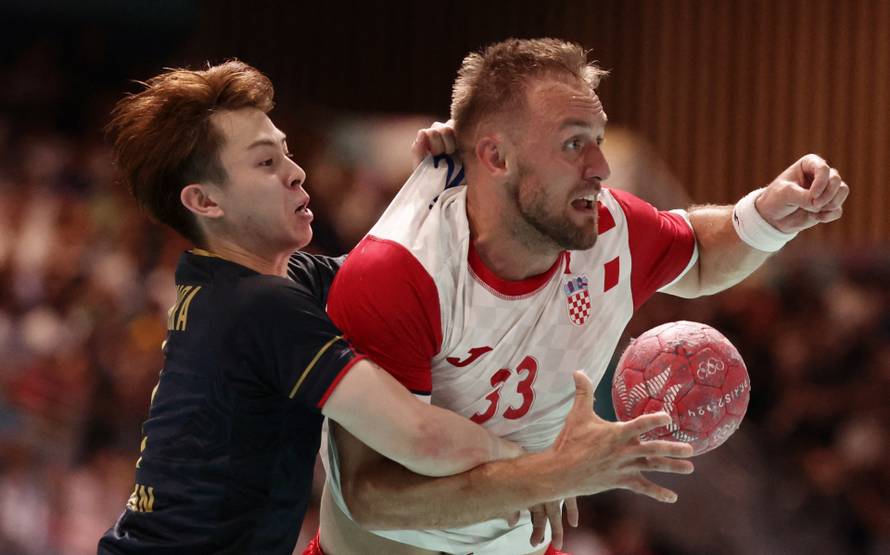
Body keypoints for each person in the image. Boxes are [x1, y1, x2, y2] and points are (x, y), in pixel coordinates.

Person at [96, 60, 692, 555]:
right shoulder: (259, 307)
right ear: (205, 201)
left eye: (285, 152)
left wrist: (440, 177)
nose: (296, 172)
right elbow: (420, 439)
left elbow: (396, 277)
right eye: (265, 163)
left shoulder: (254, 284)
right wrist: (550, 467)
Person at [317, 38, 850, 555]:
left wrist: (767, 218)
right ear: (496, 157)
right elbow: (372, 497)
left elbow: (699, 254)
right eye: (575, 142)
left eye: (598, 138)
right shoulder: (402, 272)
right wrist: (548, 475)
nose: (601, 167)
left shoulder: (609, 228)